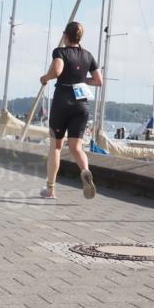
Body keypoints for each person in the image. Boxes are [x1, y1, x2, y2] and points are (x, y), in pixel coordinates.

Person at [38, 21, 102, 200]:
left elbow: (57, 71)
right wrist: (81, 79)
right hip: (81, 105)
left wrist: (45, 77)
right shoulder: (88, 55)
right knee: (76, 147)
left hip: (62, 103)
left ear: (66, 35)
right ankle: (85, 171)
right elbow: (98, 81)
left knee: (56, 147)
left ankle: (50, 189)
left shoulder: (60, 51)